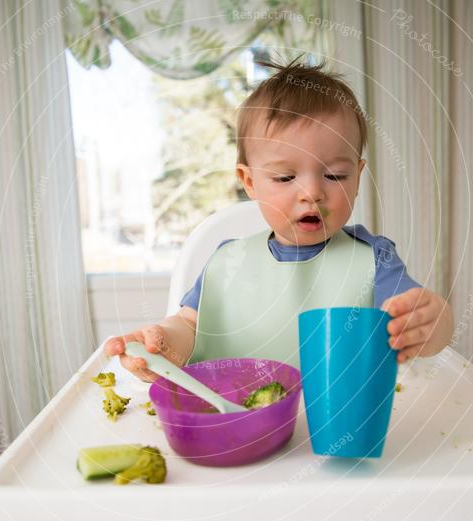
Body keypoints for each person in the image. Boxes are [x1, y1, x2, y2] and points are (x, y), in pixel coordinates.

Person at [104, 56, 453, 382]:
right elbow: (190, 327)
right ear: (250, 182)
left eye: (335, 176)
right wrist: (162, 345)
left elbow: (416, 322)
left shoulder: (373, 259)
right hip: (236, 429)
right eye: (286, 178)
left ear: (358, 177)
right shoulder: (228, 261)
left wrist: (432, 322)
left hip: (335, 432)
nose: (312, 192)